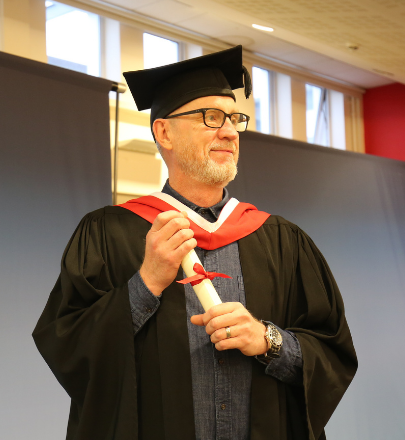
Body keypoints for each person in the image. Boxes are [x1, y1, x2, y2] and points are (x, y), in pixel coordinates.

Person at [33, 46, 356, 440]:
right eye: (211, 117)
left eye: (235, 118)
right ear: (164, 132)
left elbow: (332, 353)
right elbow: (67, 347)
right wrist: (144, 285)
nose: (229, 131)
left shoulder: (282, 240)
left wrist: (269, 341)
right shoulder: (107, 234)